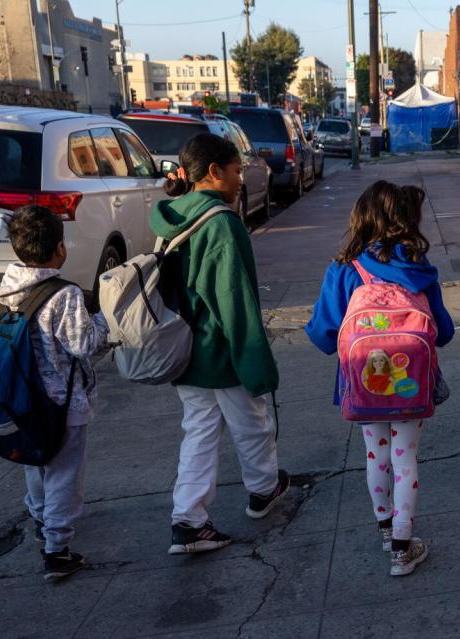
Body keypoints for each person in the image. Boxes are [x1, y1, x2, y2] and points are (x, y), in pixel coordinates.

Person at [305, 180, 455, 576]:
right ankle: (404, 549)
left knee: (377, 454)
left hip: (364, 384)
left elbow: (323, 332)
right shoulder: (419, 267)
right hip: (409, 386)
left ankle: (386, 529)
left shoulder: (343, 267)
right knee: (406, 458)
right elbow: (444, 329)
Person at [150, 133, 288, 555]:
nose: (241, 179)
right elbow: (235, 301)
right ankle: (263, 489)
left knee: (199, 433)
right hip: (220, 349)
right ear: (213, 172)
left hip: (184, 350)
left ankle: (188, 519)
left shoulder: (173, 215)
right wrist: (257, 363)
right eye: (235, 170)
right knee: (252, 423)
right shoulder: (221, 224)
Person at [0, 205, 110, 581]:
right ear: (60, 248)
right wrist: (105, 318)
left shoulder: (4, 288)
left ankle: (41, 521)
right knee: (64, 474)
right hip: (61, 404)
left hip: (19, 402)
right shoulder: (64, 294)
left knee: (36, 466)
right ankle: (58, 549)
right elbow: (84, 343)